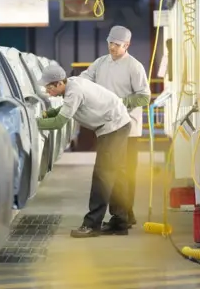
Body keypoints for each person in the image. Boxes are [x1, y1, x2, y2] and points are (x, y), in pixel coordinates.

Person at [37, 64, 131, 237]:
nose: (47, 90)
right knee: (116, 176)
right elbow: (65, 109)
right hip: (118, 124)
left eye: (49, 87)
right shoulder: (72, 84)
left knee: (102, 176)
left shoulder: (74, 91)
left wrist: (33, 123)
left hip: (114, 127)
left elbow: (59, 122)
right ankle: (120, 222)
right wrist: (46, 115)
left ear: (59, 84)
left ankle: (92, 225)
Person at [79, 25, 151, 231]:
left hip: (129, 129)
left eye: (117, 45)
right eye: (110, 43)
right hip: (108, 127)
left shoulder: (134, 67)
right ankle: (125, 216)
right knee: (117, 173)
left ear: (127, 45)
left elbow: (144, 96)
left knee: (125, 173)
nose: (112, 47)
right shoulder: (100, 63)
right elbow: (85, 79)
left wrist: (119, 102)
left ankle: (123, 217)